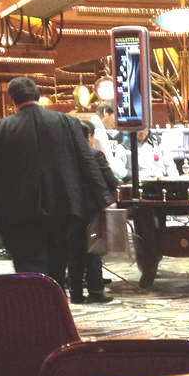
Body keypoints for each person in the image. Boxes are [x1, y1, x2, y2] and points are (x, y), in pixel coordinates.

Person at [0, 77, 113, 289]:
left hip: (17, 213)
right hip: (63, 206)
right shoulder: (67, 122)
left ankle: (35, 304)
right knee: (58, 266)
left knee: (28, 267)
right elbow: (87, 161)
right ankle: (55, 302)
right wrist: (105, 198)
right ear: (38, 95)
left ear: (13, 99)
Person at [68, 120, 117, 304]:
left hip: (70, 208)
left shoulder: (66, 157)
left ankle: (75, 293)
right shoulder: (95, 155)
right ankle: (96, 291)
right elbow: (110, 180)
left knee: (74, 250)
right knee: (93, 249)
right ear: (88, 137)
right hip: (91, 208)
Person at [91, 101, 126, 181]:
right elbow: (109, 164)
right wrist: (127, 176)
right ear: (105, 113)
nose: (118, 121)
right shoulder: (99, 133)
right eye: (116, 116)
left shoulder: (92, 128)